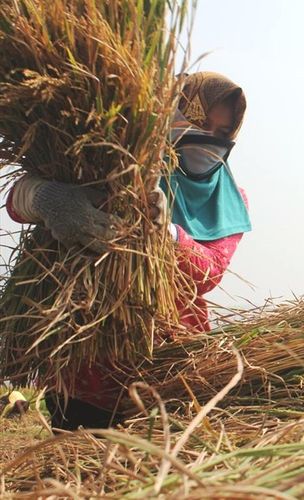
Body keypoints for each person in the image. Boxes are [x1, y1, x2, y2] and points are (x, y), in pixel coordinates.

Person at [5, 71, 252, 430]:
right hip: (87, 354)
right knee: (76, 473)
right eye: (199, 122)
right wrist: (43, 197)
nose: (207, 138)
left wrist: (167, 233)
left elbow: (210, 273)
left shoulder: (231, 201)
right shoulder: (118, 159)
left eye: (221, 132)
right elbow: (17, 202)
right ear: (171, 112)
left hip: (168, 362)